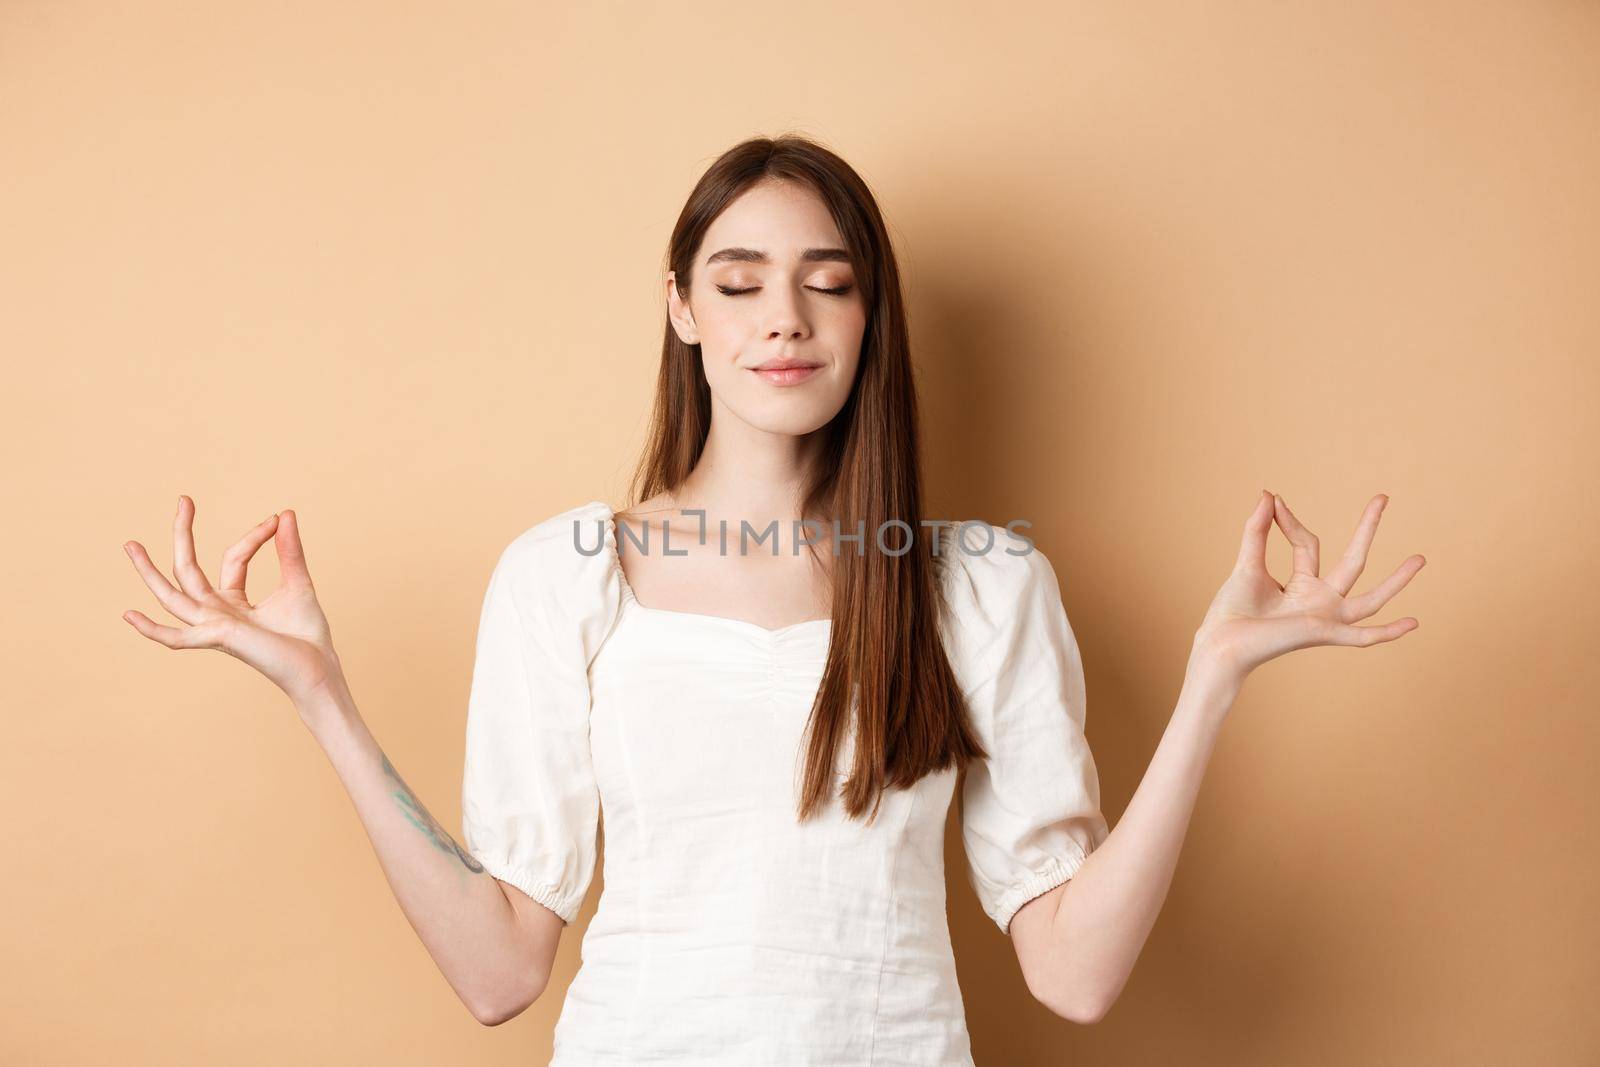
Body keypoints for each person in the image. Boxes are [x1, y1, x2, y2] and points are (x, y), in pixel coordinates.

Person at [120, 134, 1425, 1064]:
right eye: (739, 282)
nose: (783, 317)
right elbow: (500, 968)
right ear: (682, 309)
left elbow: (1073, 976)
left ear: (871, 322)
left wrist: (1213, 681)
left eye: (829, 281)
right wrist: (321, 695)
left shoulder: (980, 584)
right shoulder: (564, 575)